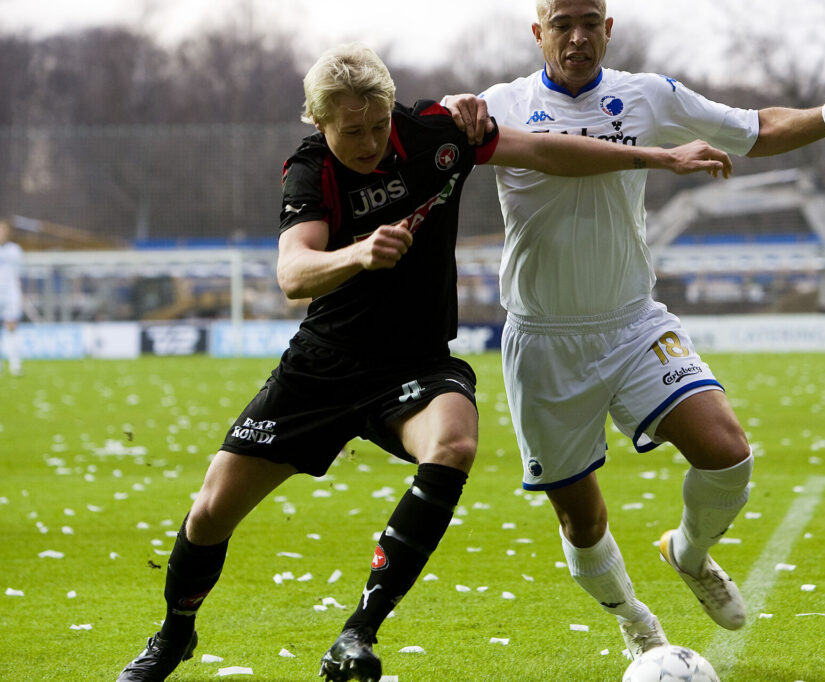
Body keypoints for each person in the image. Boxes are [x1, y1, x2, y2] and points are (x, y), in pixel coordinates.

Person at [116, 43, 735, 682]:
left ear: (392, 108)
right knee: (212, 511)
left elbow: (546, 150)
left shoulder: (438, 136)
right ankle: (173, 637)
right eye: (350, 131)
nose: (368, 142)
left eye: (378, 124)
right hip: (322, 368)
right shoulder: (310, 172)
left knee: (454, 442)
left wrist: (657, 156)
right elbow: (293, 273)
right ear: (319, 124)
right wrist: (354, 256)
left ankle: (357, 633)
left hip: (414, 366)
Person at [444, 0, 825, 660]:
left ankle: (689, 553)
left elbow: (757, 129)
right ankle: (632, 615)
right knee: (582, 520)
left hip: (633, 321)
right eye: (562, 24)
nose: (577, 38)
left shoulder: (646, 96)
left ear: (608, 29)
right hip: (544, 340)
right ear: (537, 31)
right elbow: (435, 138)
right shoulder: (501, 104)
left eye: (590, 23)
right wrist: (454, 108)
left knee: (728, 451)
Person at [0, 218, 24, 377]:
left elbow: (21, 273)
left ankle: (15, 365)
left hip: (10, 295)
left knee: (11, 327)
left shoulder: (15, 250)